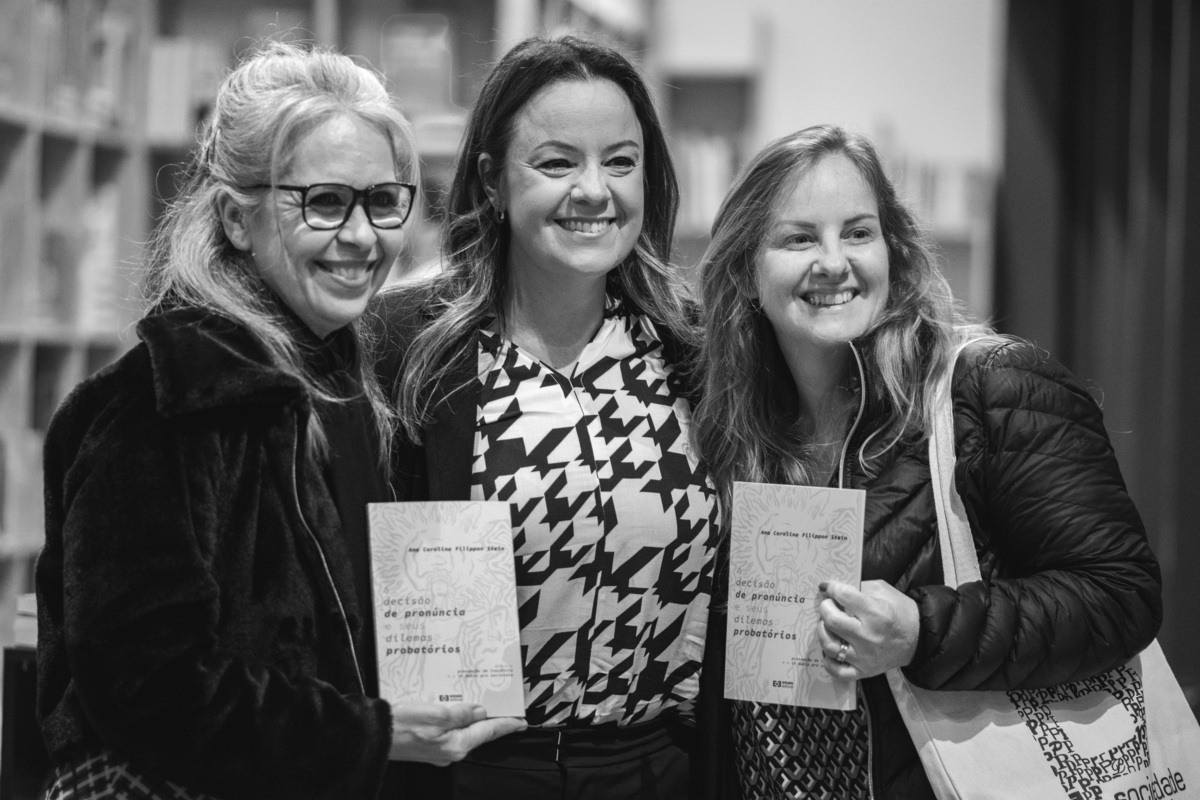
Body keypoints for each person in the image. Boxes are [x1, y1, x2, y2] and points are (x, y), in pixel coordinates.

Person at [35, 41, 521, 800]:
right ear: (236, 217)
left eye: (385, 200)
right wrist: (375, 734)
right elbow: (148, 686)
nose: (362, 237)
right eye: (324, 202)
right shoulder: (162, 404)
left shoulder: (342, 382)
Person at [690, 124, 1163, 800]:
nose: (834, 262)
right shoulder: (742, 435)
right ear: (745, 272)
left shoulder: (989, 388)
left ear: (894, 249)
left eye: (858, 232)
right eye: (799, 239)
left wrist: (922, 629)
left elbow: (1122, 596)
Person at [370, 33, 720, 799]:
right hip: (470, 773)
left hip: (659, 769)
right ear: (493, 181)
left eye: (620, 162)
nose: (594, 190)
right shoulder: (404, 348)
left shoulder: (697, 352)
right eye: (558, 162)